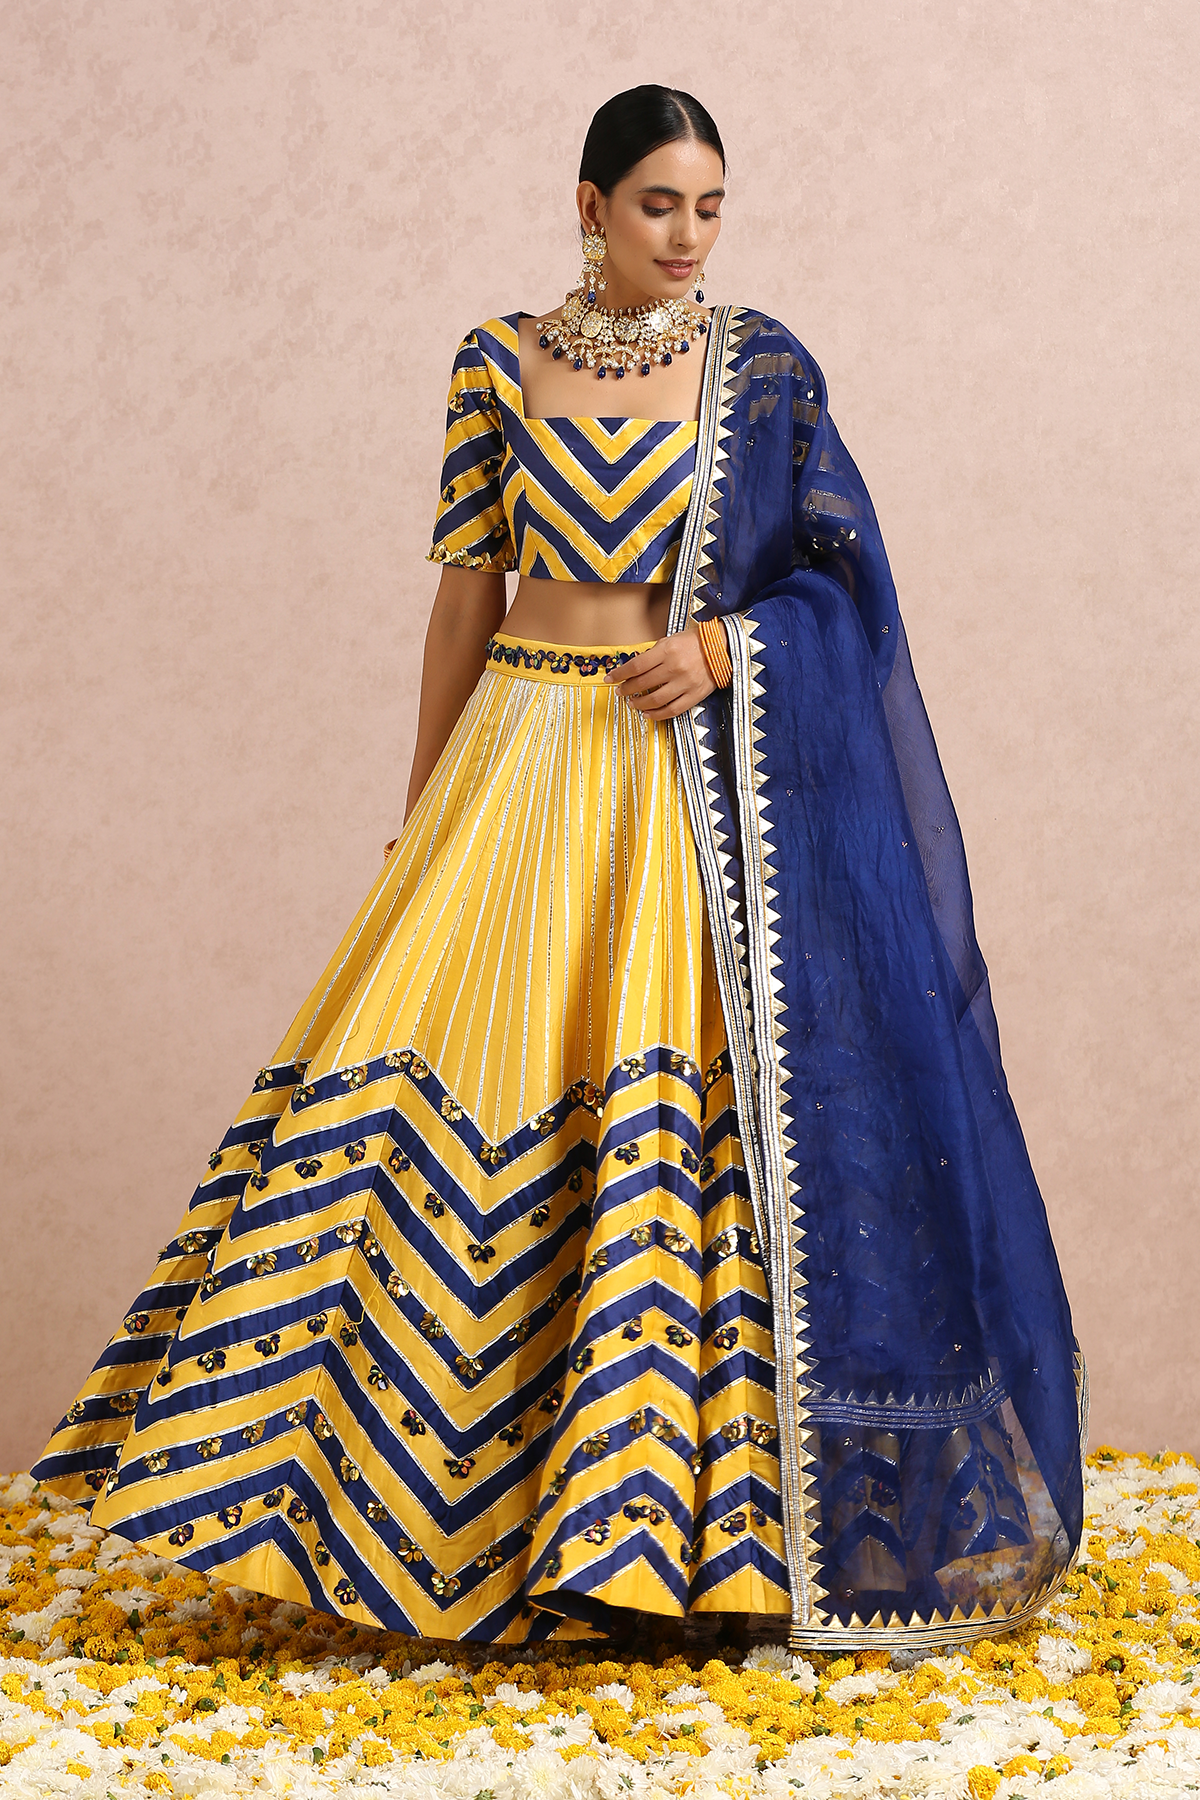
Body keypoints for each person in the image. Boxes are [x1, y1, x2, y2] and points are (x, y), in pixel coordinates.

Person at [32, 85, 1085, 1655]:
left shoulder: (761, 372)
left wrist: (726, 649)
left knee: (690, 1133)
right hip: (518, 758)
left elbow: (844, 586)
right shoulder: (493, 361)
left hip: (683, 786)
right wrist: (421, 807)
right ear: (589, 207)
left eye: (710, 205)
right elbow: (466, 594)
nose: (690, 234)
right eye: (659, 203)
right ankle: (419, 1526)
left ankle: (678, 1548)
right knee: (444, 1084)